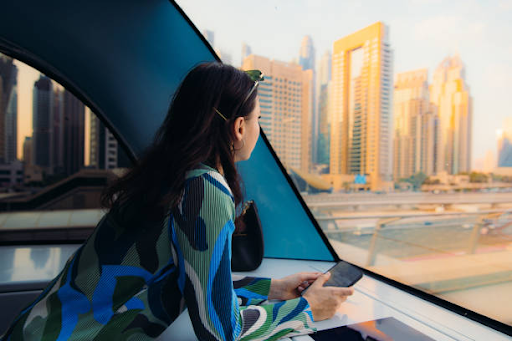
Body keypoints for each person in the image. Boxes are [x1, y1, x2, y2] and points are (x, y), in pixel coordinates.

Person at [2, 62, 353, 340]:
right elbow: (219, 331)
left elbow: (188, 282)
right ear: (239, 128)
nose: (259, 130)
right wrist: (307, 309)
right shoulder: (206, 191)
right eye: (258, 119)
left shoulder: (170, 175)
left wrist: (274, 288)